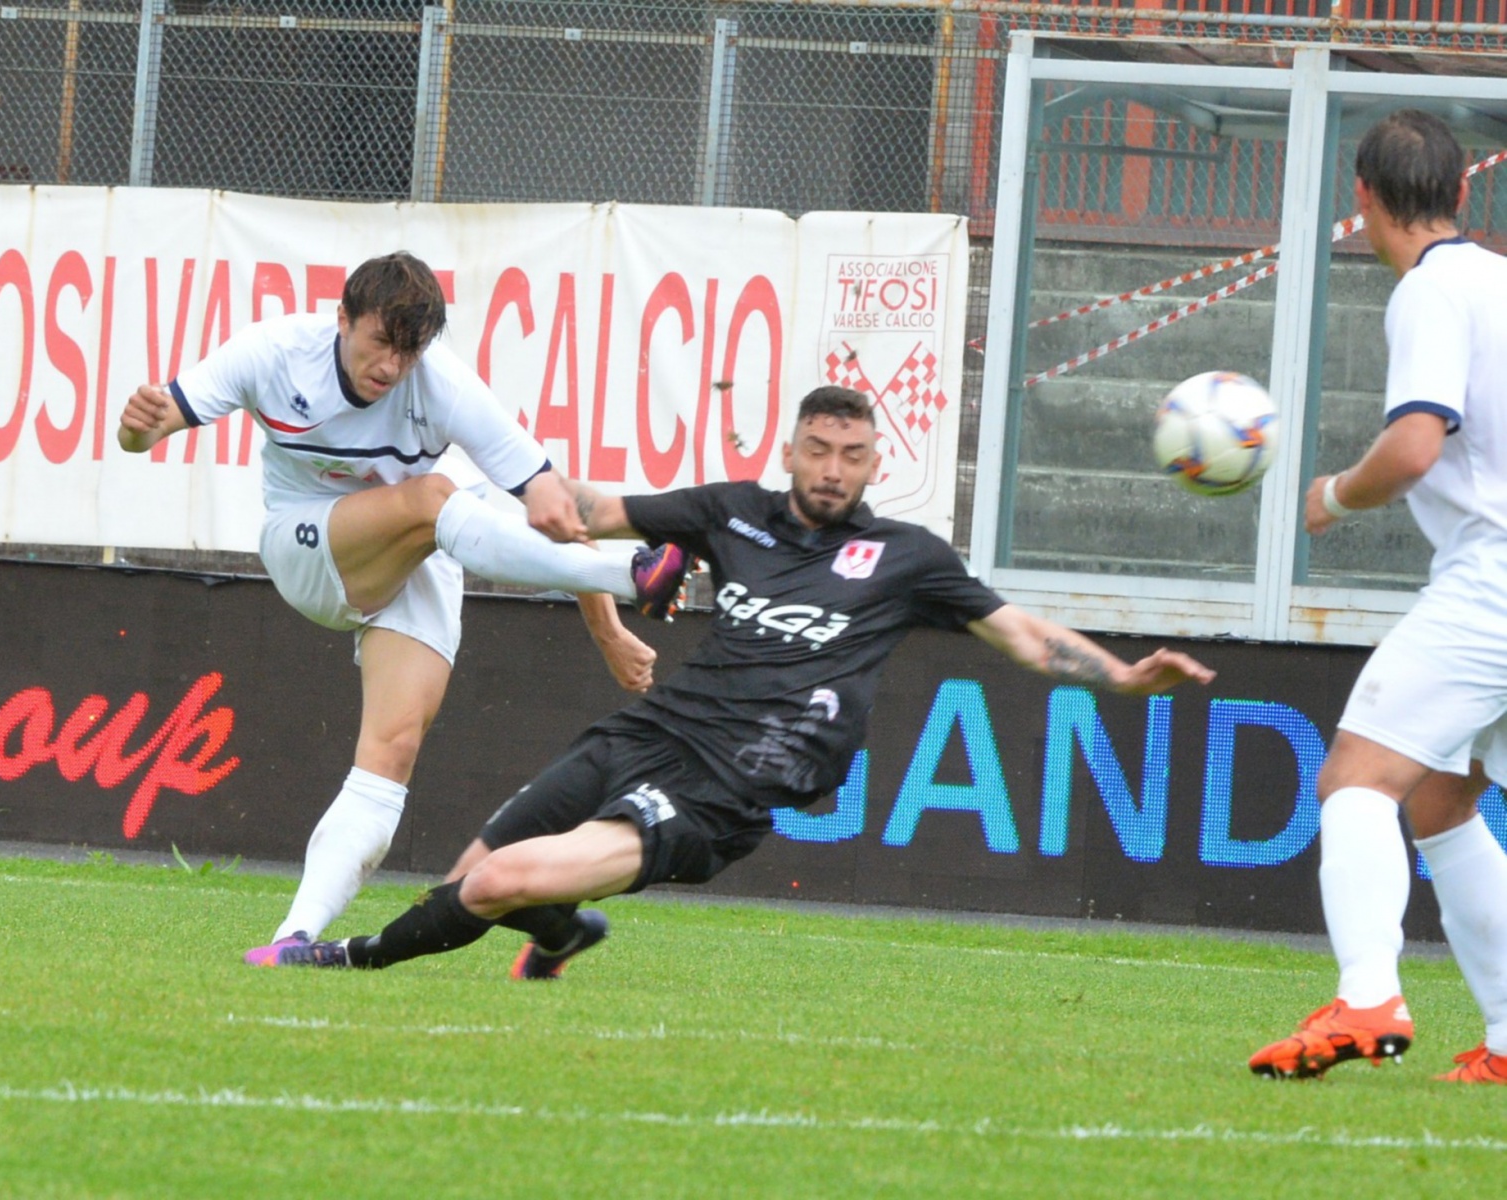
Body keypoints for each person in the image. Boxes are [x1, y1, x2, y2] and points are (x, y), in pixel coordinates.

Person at [256, 384, 1215, 980]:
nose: (832, 471)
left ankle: (341, 958)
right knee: (477, 874)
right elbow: (589, 508)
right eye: (817, 451)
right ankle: (560, 936)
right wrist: (502, 490)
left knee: (497, 879)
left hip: (726, 786)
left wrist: (1124, 677)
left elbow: (1026, 638)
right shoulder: (732, 514)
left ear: (876, 462)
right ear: (790, 450)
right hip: (648, 731)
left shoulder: (904, 558)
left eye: (852, 456)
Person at [116, 251, 690, 963]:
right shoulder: (273, 352)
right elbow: (147, 428)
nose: (391, 365)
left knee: (392, 750)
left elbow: (547, 506)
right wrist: (137, 428)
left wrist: (604, 631)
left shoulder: (441, 382)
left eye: (409, 349)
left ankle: (289, 939)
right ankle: (635, 577)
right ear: (342, 320)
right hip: (308, 548)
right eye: (380, 341)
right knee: (435, 500)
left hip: (413, 555)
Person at [1249, 111, 1507, 1084]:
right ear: (1462, 191)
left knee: (1353, 780)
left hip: (1491, 581)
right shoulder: (1499, 278)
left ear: (1359, 200)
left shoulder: (1432, 294)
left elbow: (1411, 448)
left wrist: (1329, 497)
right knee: (1442, 798)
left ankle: (1365, 998)